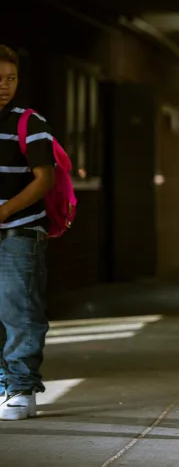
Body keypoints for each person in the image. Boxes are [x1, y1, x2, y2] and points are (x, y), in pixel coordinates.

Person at [0, 45, 56, 420]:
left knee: (20, 313)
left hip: (19, 232)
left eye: (11, 78)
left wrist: (2, 211)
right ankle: (4, 382)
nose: (5, 86)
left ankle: (22, 388)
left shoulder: (29, 122)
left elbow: (44, 181)